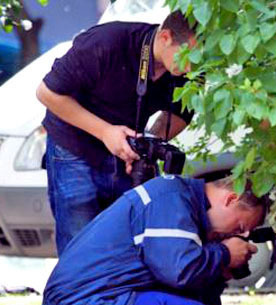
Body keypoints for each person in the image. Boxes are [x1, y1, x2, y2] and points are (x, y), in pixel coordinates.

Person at [41, 175, 267, 305]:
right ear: (230, 199)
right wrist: (224, 254)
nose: (241, 235)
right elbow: (179, 271)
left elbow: (188, 287)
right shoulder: (172, 199)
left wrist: (219, 272)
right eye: (240, 226)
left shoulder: (182, 202)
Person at [36, 10, 196, 255]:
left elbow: (181, 113)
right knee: (80, 238)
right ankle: (76, 293)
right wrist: (105, 132)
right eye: (189, 55)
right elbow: (46, 93)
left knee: (123, 238)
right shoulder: (107, 42)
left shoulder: (186, 70)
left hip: (122, 152)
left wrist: (144, 145)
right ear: (165, 37)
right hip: (73, 145)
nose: (193, 65)